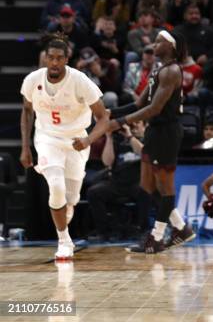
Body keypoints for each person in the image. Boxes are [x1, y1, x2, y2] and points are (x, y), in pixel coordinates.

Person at [20, 34, 110, 260]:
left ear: (67, 60)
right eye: (50, 58)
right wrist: (25, 147)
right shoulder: (32, 80)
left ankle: (68, 208)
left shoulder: (80, 81)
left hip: (76, 141)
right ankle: (64, 241)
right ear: (45, 58)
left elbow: (103, 118)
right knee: (56, 186)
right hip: (47, 139)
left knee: (71, 197)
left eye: (59, 58)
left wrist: (88, 140)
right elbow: (27, 111)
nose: (54, 62)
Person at [108, 31, 196, 253]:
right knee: (147, 185)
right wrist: (111, 112)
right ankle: (181, 227)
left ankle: (156, 237)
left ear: (172, 46)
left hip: (167, 131)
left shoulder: (173, 71)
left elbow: (155, 108)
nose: (153, 44)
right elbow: (139, 103)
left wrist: (120, 122)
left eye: (159, 41)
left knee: (165, 187)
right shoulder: (158, 70)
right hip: (154, 131)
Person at [87, 121, 145, 241]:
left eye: (137, 125)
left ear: (145, 126)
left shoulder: (146, 140)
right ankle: (103, 231)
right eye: (131, 126)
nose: (133, 128)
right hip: (116, 183)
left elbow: (144, 154)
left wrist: (130, 137)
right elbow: (107, 162)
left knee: (147, 192)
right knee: (94, 192)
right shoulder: (117, 141)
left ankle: (141, 229)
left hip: (137, 183)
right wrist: (109, 138)